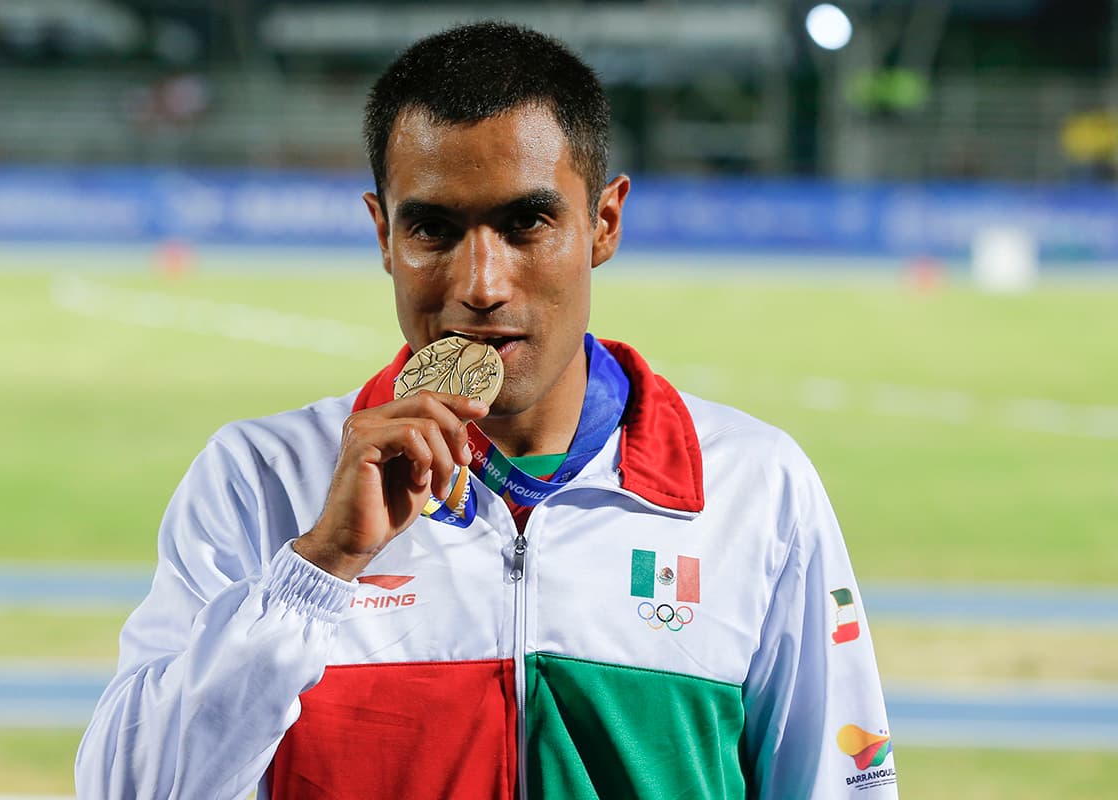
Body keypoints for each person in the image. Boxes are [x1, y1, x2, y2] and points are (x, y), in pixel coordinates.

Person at [76, 21, 897, 800]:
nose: (480, 285)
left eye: (526, 222)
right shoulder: (261, 479)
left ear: (603, 222)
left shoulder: (752, 484)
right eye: (432, 228)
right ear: (382, 233)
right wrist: (319, 567)